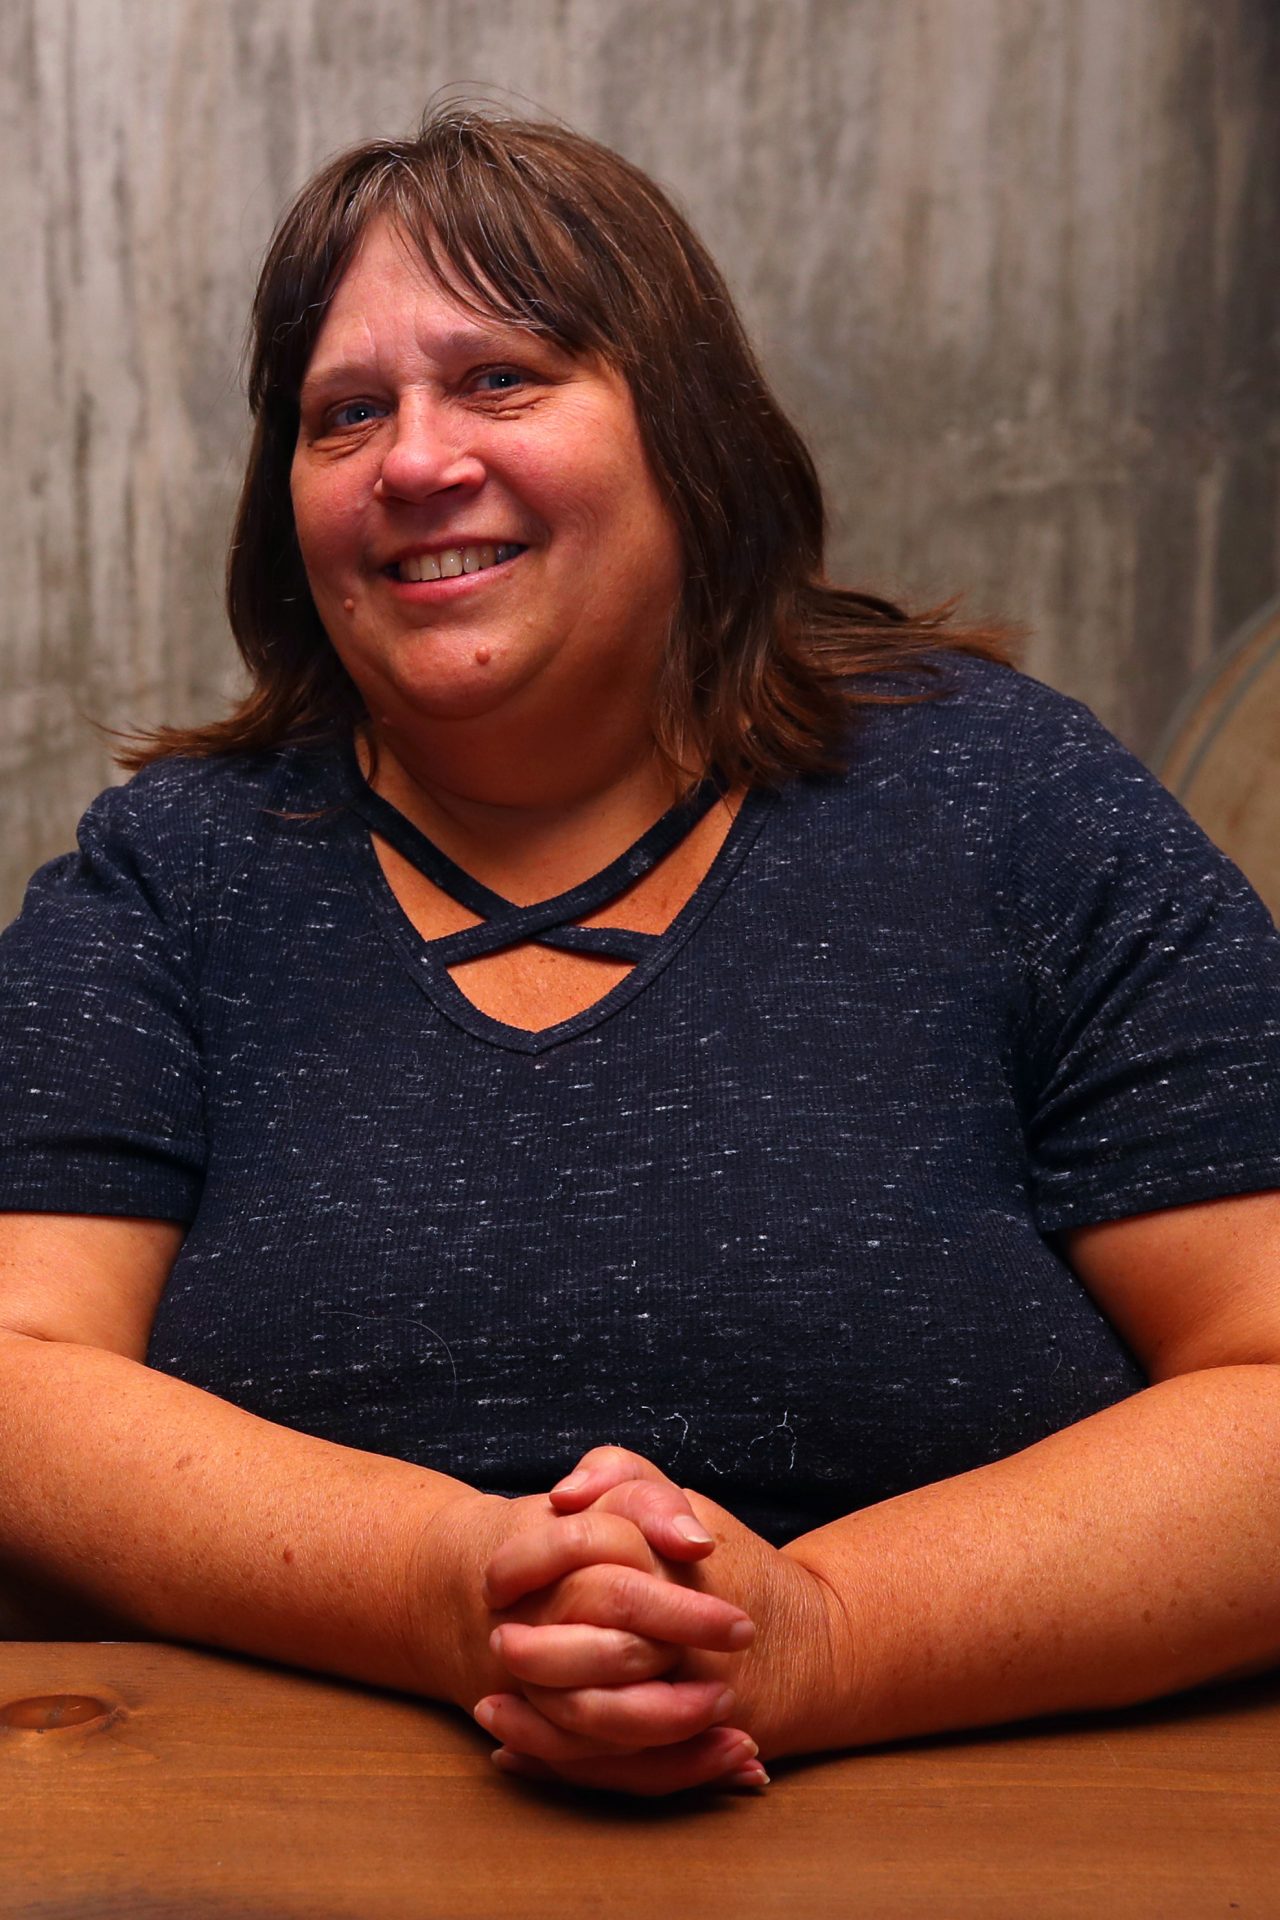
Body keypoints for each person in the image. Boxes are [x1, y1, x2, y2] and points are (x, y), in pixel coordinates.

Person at [2, 107, 1279, 1802]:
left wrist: (817, 1631)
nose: (414, 459)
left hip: (981, 1843)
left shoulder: (1008, 799)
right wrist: (454, 1592)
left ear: (687, 431)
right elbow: (20, 1376)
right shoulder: (174, 874)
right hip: (278, 1847)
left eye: (503, 378)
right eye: (346, 414)